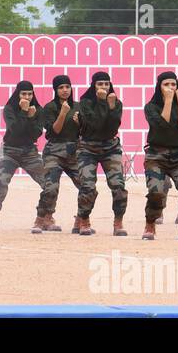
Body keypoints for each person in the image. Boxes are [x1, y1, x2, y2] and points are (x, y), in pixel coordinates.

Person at [0, 80, 57, 233]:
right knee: (0, 182)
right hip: (9, 151)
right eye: (23, 94)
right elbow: (15, 130)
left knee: (49, 183)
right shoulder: (9, 108)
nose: (27, 97)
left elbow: (36, 133)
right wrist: (25, 113)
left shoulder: (38, 110)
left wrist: (32, 116)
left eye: (29, 94)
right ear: (18, 94)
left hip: (29, 152)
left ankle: (46, 217)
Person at [141, 72, 178, 240]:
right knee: (156, 192)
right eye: (166, 84)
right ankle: (150, 224)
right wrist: (168, 100)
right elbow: (162, 125)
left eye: (173, 85)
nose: (170, 88)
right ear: (159, 87)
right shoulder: (151, 107)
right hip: (156, 156)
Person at [74, 71, 127, 236]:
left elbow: (112, 127)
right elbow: (95, 124)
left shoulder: (116, 103)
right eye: (100, 84)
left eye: (106, 84)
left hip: (110, 147)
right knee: (87, 187)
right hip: (87, 148)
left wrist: (111, 107)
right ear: (93, 85)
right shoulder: (85, 102)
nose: (103, 87)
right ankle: (83, 219)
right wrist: (103, 102)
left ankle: (118, 222)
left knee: (118, 186)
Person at [38, 75, 78, 233]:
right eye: (61, 87)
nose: (65, 90)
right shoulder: (49, 108)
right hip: (54, 151)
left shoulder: (79, 107)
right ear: (55, 90)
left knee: (87, 186)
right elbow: (55, 131)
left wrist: (80, 123)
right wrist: (63, 113)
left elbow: (85, 131)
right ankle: (45, 218)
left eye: (67, 86)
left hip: (74, 152)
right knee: (51, 188)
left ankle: (82, 218)